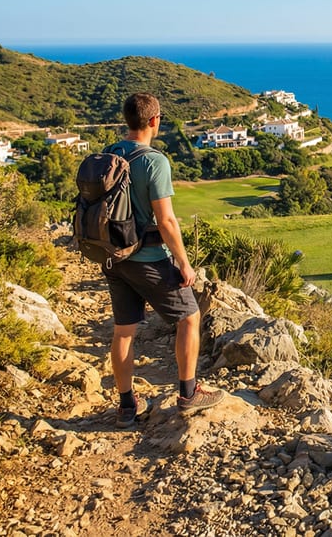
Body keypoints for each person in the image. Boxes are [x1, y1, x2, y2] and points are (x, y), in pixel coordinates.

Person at [106, 92, 225, 428]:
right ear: (155, 120)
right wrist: (184, 263)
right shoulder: (154, 161)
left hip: (115, 258)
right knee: (189, 318)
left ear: (127, 120)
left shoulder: (111, 153)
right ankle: (189, 394)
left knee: (124, 331)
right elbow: (167, 220)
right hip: (149, 258)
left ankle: (127, 406)